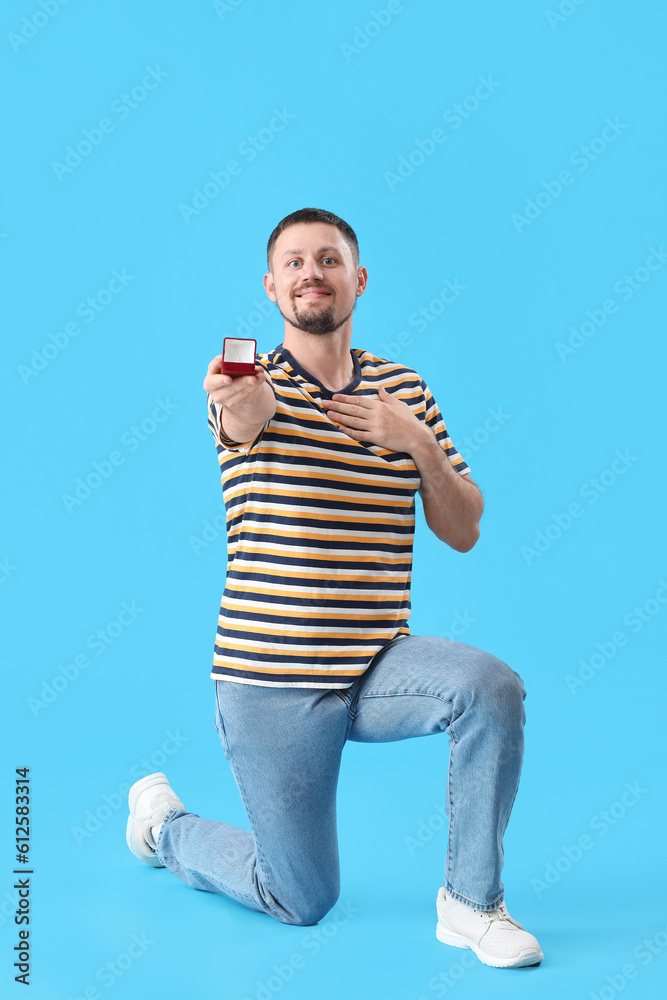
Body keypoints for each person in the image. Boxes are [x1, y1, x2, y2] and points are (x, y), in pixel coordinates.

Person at [126, 207, 543, 969]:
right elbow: (244, 415)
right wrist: (232, 394)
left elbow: (463, 528)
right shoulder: (257, 387)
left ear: (357, 278)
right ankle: (165, 828)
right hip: (270, 683)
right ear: (271, 286)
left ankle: (471, 904)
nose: (310, 272)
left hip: (377, 665)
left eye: (327, 258)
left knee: (489, 688)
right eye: (293, 262)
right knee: (301, 898)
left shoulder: (404, 390)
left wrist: (413, 440)